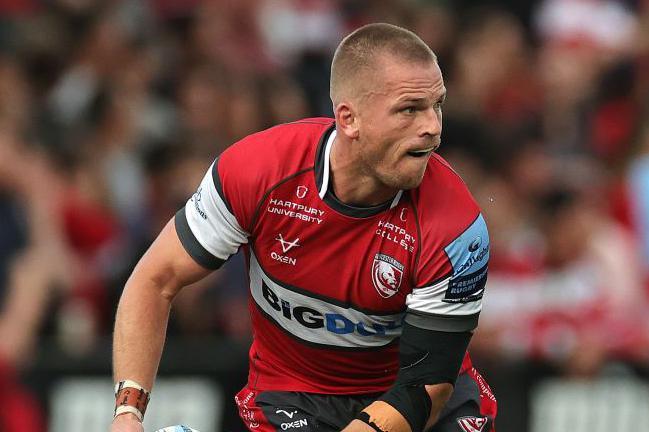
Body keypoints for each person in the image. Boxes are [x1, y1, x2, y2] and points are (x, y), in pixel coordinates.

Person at [111, 23, 497, 432]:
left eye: (437, 105)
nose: (433, 127)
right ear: (349, 119)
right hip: (294, 398)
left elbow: (424, 388)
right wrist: (127, 414)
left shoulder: (458, 229)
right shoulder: (257, 172)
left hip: (418, 402)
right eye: (410, 109)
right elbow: (155, 280)